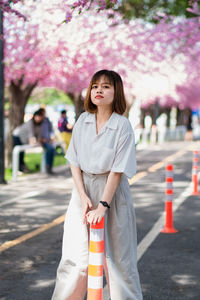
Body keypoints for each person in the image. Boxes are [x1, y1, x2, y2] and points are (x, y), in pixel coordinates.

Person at [51, 70, 143, 300]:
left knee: (119, 261)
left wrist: (102, 205)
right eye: (95, 86)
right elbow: (73, 160)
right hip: (82, 189)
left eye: (106, 86)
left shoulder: (122, 126)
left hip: (111, 193)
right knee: (74, 258)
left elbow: (117, 171)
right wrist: (83, 197)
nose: (99, 90)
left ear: (116, 92)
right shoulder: (83, 120)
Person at [37, 108, 55, 175]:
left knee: (52, 150)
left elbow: (51, 129)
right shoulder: (38, 121)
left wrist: (52, 136)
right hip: (42, 141)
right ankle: (47, 166)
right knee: (49, 149)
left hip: (48, 140)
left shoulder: (47, 120)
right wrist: (40, 139)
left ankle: (50, 167)